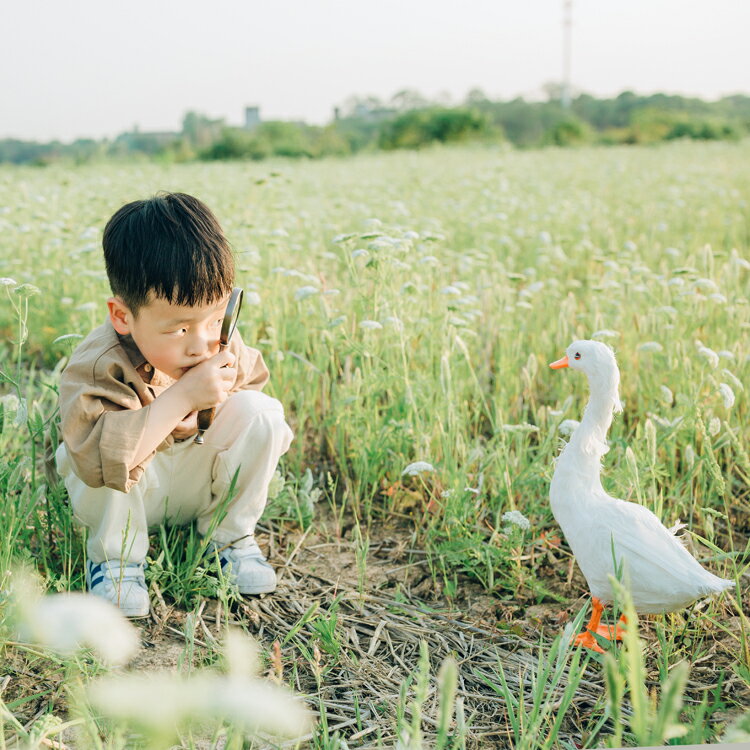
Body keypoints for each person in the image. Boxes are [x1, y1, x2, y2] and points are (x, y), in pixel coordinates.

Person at [55, 192, 293, 617]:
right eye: (180, 329)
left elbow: (251, 396)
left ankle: (229, 538)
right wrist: (181, 398)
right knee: (99, 445)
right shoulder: (100, 363)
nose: (201, 343)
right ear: (123, 316)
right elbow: (95, 459)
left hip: (190, 482)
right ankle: (116, 560)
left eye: (215, 318)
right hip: (124, 498)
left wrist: (210, 407)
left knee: (262, 412)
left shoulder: (219, 343)